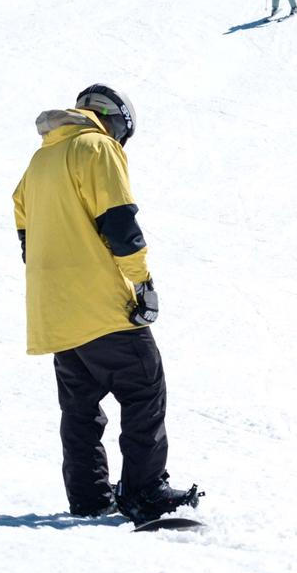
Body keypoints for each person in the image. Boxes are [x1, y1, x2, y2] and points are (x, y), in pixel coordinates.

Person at [12, 85, 201, 524]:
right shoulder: (96, 147)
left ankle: (90, 497)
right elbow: (118, 221)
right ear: (115, 120)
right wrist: (143, 283)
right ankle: (146, 491)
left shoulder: (40, 161)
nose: (121, 143)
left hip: (53, 311)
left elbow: (24, 226)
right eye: (123, 134)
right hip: (100, 304)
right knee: (144, 388)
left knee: (79, 408)